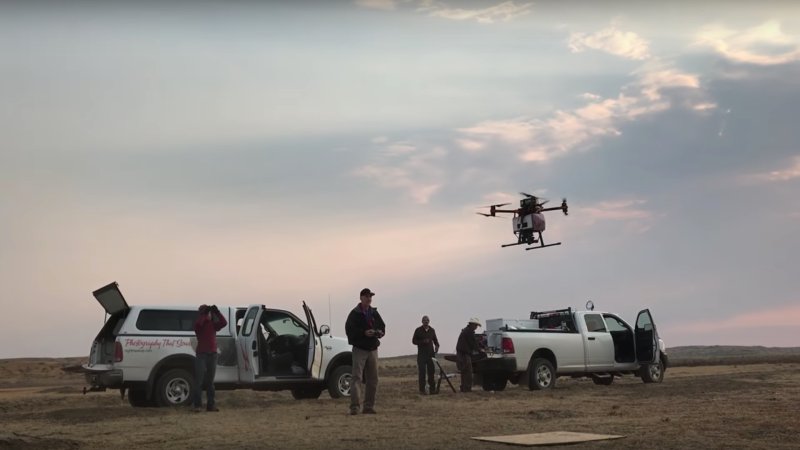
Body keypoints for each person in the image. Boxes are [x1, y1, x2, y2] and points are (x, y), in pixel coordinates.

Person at [345, 288, 386, 415]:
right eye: (367, 296)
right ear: (361, 298)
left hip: (373, 349)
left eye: (370, 296)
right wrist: (363, 333)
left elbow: (382, 326)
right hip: (360, 349)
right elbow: (349, 330)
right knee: (356, 378)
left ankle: (368, 406)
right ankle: (355, 407)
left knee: (373, 379)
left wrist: (378, 332)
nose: (369, 299)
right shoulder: (354, 314)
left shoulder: (374, 312)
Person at [193, 304, 227, 412]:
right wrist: (204, 314)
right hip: (201, 354)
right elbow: (199, 324)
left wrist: (217, 312)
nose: (208, 314)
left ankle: (210, 405)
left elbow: (224, 323)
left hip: (212, 354)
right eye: (205, 312)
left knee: (210, 382)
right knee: (199, 381)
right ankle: (197, 406)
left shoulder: (213, 324)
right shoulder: (199, 323)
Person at [411, 315, 440, 395]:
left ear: (429, 321)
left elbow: (435, 341)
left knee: (431, 372)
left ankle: (432, 390)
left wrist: (437, 346)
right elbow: (413, 341)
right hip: (421, 355)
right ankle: (422, 390)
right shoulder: (418, 330)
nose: (426, 321)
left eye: (427, 320)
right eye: (424, 320)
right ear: (422, 321)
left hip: (431, 355)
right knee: (422, 373)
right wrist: (423, 341)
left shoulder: (432, 330)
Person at [455, 317, 482, 393]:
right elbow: (473, 344)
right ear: (472, 324)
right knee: (468, 372)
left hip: (461, 353)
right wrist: (481, 351)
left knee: (464, 372)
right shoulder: (469, 332)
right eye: (476, 325)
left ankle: (464, 388)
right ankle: (467, 389)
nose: (476, 327)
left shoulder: (466, 331)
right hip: (464, 354)